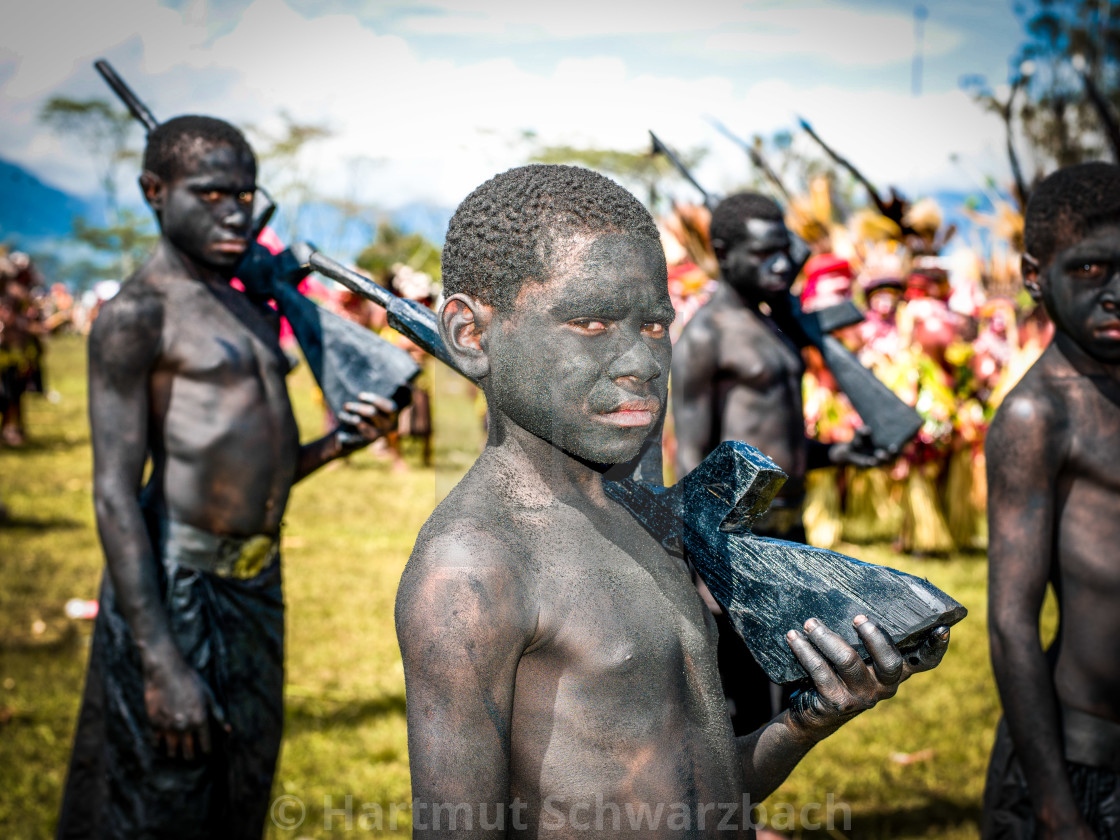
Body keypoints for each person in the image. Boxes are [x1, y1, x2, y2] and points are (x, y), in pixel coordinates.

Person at [396, 164, 949, 838]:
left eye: (656, 326)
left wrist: (808, 718)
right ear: (470, 335)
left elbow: (704, 791)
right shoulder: (474, 568)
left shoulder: (640, 514)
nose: (641, 362)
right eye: (592, 322)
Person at [57, 115, 395, 839]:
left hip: (254, 590)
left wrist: (339, 442)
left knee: (240, 798)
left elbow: (244, 475)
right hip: (177, 594)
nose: (236, 212)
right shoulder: (136, 316)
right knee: (162, 805)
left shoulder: (247, 305)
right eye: (211, 196)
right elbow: (115, 493)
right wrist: (160, 663)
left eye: (244, 195)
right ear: (155, 191)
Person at [671, 193, 890, 733]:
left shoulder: (773, 326)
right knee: (736, 692)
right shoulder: (706, 335)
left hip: (788, 524)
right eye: (763, 253)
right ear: (723, 252)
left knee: (783, 682)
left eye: (784, 251)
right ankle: (736, 816)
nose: (781, 264)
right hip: (738, 535)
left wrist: (838, 453)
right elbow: (694, 455)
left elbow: (778, 442)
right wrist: (705, 559)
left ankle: (754, 813)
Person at [984, 162, 1120, 840]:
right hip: (1081, 758)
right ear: (1035, 275)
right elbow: (1011, 623)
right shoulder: (1038, 418)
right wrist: (1056, 808)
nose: (1117, 293)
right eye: (1091, 271)